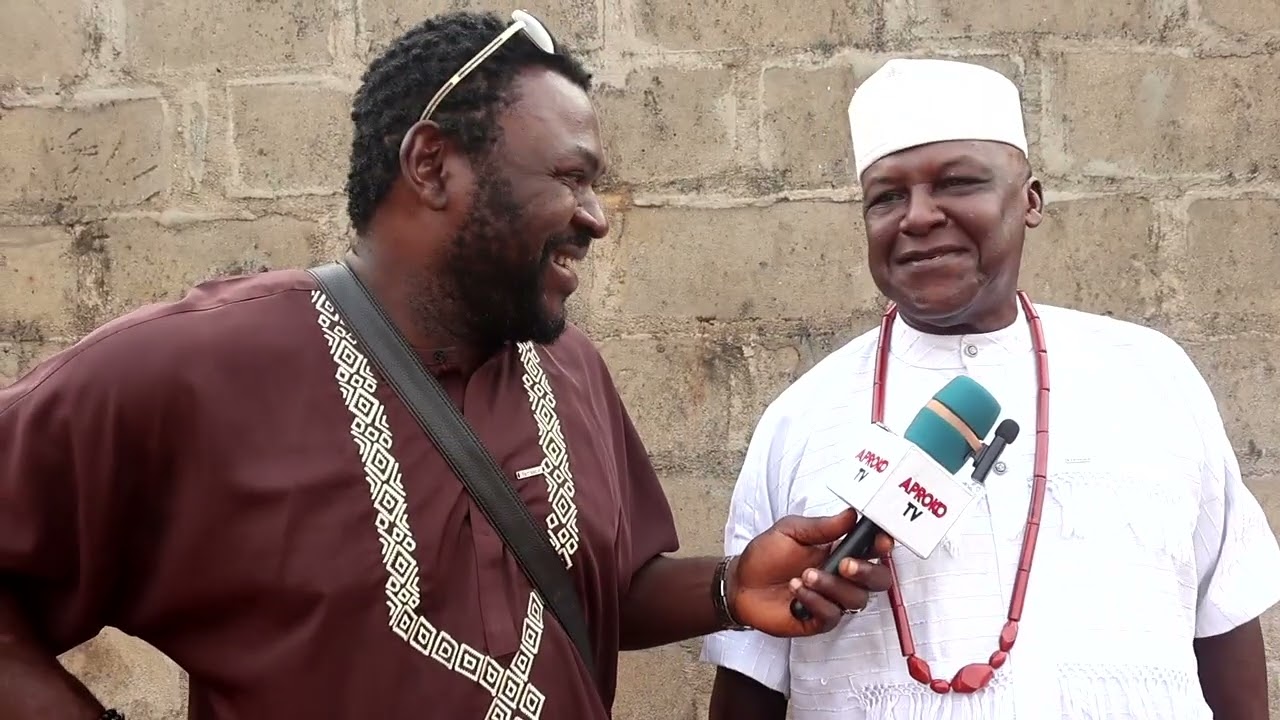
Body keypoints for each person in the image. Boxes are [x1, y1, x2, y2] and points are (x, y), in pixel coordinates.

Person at [0, 10, 895, 720]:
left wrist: (729, 587)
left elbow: (596, 587)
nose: (596, 217)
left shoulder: (571, 369)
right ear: (432, 164)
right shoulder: (199, 367)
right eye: (571, 177)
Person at [701, 57, 1280, 719]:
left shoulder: (1153, 377)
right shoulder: (802, 417)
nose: (917, 217)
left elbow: (1224, 622)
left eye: (959, 183)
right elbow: (750, 682)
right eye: (886, 196)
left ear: (1030, 199)